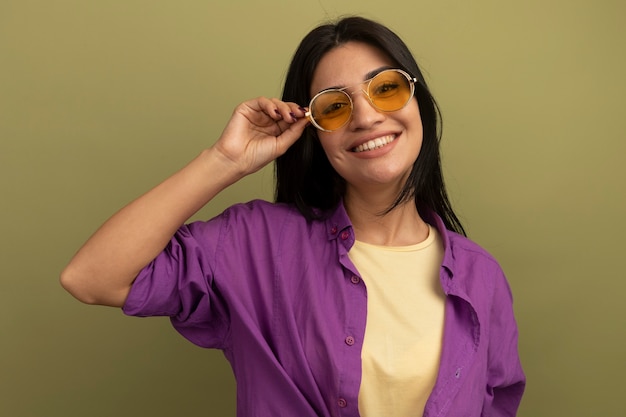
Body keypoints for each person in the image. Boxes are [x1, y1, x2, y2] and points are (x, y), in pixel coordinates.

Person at [61, 16, 525, 417]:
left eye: (385, 88)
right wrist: (224, 162)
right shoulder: (255, 244)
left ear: (417, 100)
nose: (365, 118)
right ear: (314, 132)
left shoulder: (482, 278)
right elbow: (91, 277)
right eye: (335, 105)